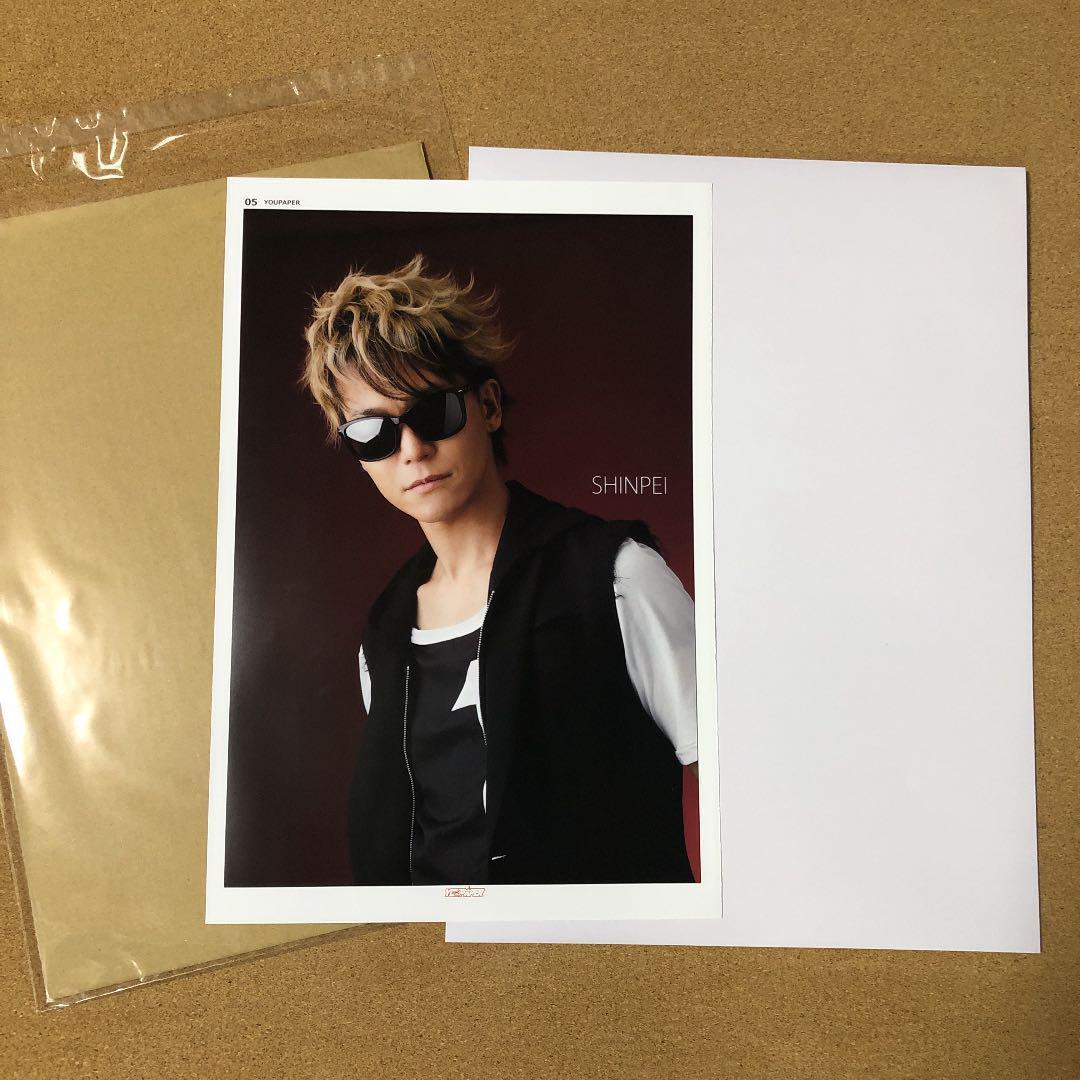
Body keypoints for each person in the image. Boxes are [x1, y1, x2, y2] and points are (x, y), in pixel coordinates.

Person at [302, 254, 698, 886]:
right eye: (373, 433)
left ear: (487, 406)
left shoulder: (618, 577)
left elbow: (745, 786)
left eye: (434, 413)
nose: (412, 450)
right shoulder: (384, 635)